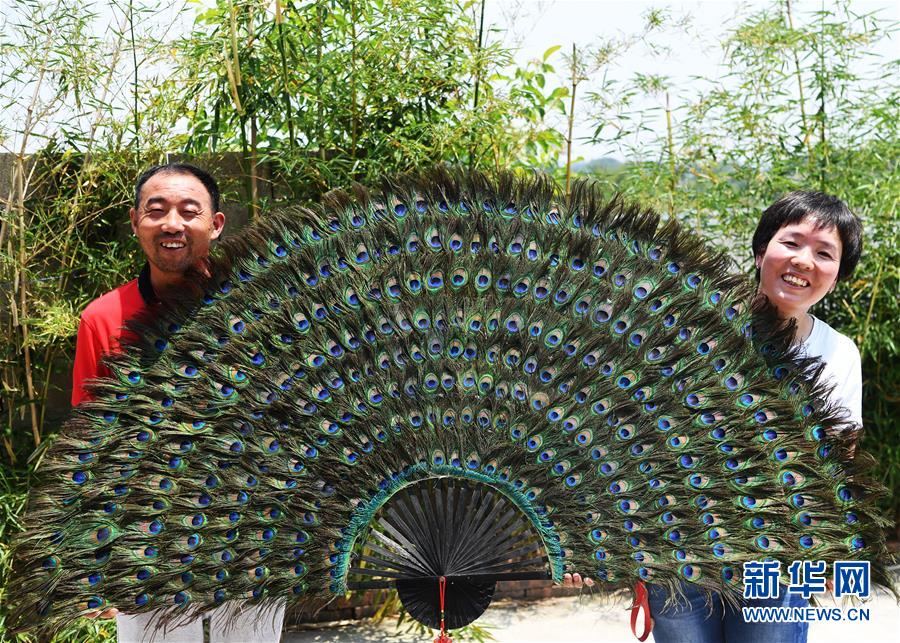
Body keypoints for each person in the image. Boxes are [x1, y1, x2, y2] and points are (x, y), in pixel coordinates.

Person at [72, 163, 286, 643]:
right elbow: (91, 445)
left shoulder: (264, 308)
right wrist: (94, 551)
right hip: (146, 542)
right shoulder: (103, 319)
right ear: (135, 222)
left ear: (216, 224)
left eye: (189, 211)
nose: (172, 224)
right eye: (157, 211)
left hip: (251, 534)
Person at [645, 190, 863, 643]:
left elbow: (837, 462)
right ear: (762, 250)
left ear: (838, 275)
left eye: (824, 253)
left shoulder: (838, 353)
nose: (803, 260)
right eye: (792, 242)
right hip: (680, 549)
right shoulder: (691, 330)